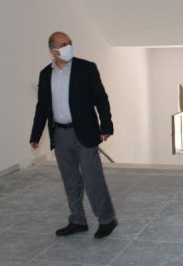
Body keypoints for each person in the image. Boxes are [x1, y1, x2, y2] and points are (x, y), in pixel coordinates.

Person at [30, 31, 118, 239]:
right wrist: (35, 134)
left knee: (93, 179)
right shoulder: (45, 74)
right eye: (63, 44)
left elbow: (101, 99)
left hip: (85, 133)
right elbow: (42, 106)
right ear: (53, 50)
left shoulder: (86, 68)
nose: (68, 46)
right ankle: (77, 220)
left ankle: (107, 219)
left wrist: (106, 125)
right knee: (70, 180)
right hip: (60, 134)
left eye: (69, 42)